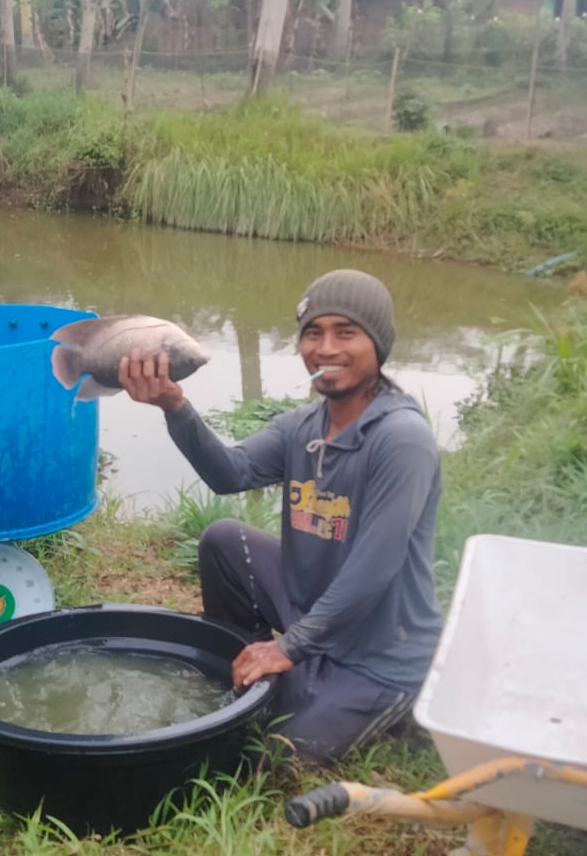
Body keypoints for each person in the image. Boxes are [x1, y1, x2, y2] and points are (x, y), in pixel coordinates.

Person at [117, 269, 443, 763]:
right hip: (314, 612)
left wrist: (289, 646)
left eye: (345, 332)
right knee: (224, 541)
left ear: (379, 344)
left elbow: (373, 571)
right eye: (313, 333)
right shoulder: (303, 425)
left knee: (274, 753)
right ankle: (249, 661)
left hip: (379, 653)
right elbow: (231, 473)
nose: (325, 347)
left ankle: (380, 700)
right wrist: (174, 406)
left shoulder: (400, 439)